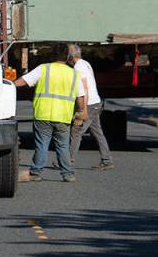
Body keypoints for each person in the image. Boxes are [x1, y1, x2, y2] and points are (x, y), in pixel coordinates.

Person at [14, 43, 85, 182]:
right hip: (63, 116)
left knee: (42, 145)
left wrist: (8, 84)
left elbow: (22, 81)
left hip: (43, 114)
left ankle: (35, 173)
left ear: (53, 55)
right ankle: (68, 174)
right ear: (68, 57)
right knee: (63, 146)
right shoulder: (74, 74)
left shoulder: (44, 69)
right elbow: (80, 97)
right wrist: (80, 112)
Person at [67, 44, 114, 171]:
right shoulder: (85, 63)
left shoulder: (78, 67)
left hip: (90, 104)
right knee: (97, 132)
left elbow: (84, 88)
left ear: (70, 55)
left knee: (76, 131)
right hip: (96, 102)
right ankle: (106, 160)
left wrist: (83, 110)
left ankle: (68, 161)